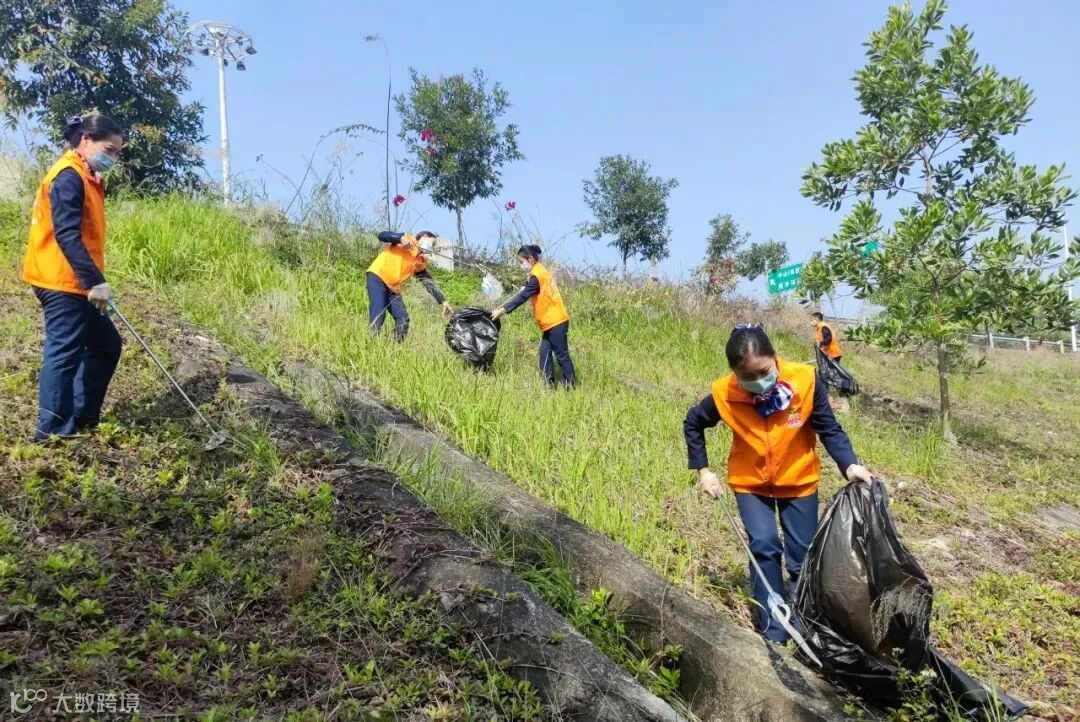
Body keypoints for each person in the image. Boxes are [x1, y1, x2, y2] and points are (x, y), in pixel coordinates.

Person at [683, 324, 873, 643]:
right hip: (750, 483)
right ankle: (774, 628)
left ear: (775, 357)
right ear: (734, 373)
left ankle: (806, 624)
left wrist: (850, 465)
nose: (758, 382)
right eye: (747, 377)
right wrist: (704, 471)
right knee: (764, 545)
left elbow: (829, 429)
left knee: (803, 556)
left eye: (763, 372)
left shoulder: (805, 380)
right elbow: (693, 422)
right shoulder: (724, 393)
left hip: (798, 480)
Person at [23, 113, 125, 441]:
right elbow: (66, 235)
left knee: (106, 345)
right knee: (64, 353)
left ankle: (82, 416)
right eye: (109, 150)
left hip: (76, 280)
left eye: (116, 153)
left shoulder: (87, 175)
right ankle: (52, 431)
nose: (112, 158)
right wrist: (94, 281)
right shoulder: (68, 176)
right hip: (61, 280)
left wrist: (92, 280)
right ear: (86, 140)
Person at [491, 245, 576, 388]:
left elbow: (523, 296)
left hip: (556, 321)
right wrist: (527, 284)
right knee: (545, 354)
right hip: (549, 323)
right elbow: (530, 288)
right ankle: (548, 386)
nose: (521, 265)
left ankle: (571, 386)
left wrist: (502, 310)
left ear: (530, 259)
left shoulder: (537, 276)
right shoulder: (539, 271)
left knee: (561, 355)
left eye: (521, 262)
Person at [367, 230, 453, 342]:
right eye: (432, 243)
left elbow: (428, 282)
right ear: (424, 237)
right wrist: (399, 238)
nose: (431, 247)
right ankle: (372, 343)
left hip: (393, 287)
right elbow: (381, 235)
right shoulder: (407, 239)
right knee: (379, 314)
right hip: (378, 277)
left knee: (403, 318)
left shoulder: (419, 260)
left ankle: (394, 347)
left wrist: (443, 302)